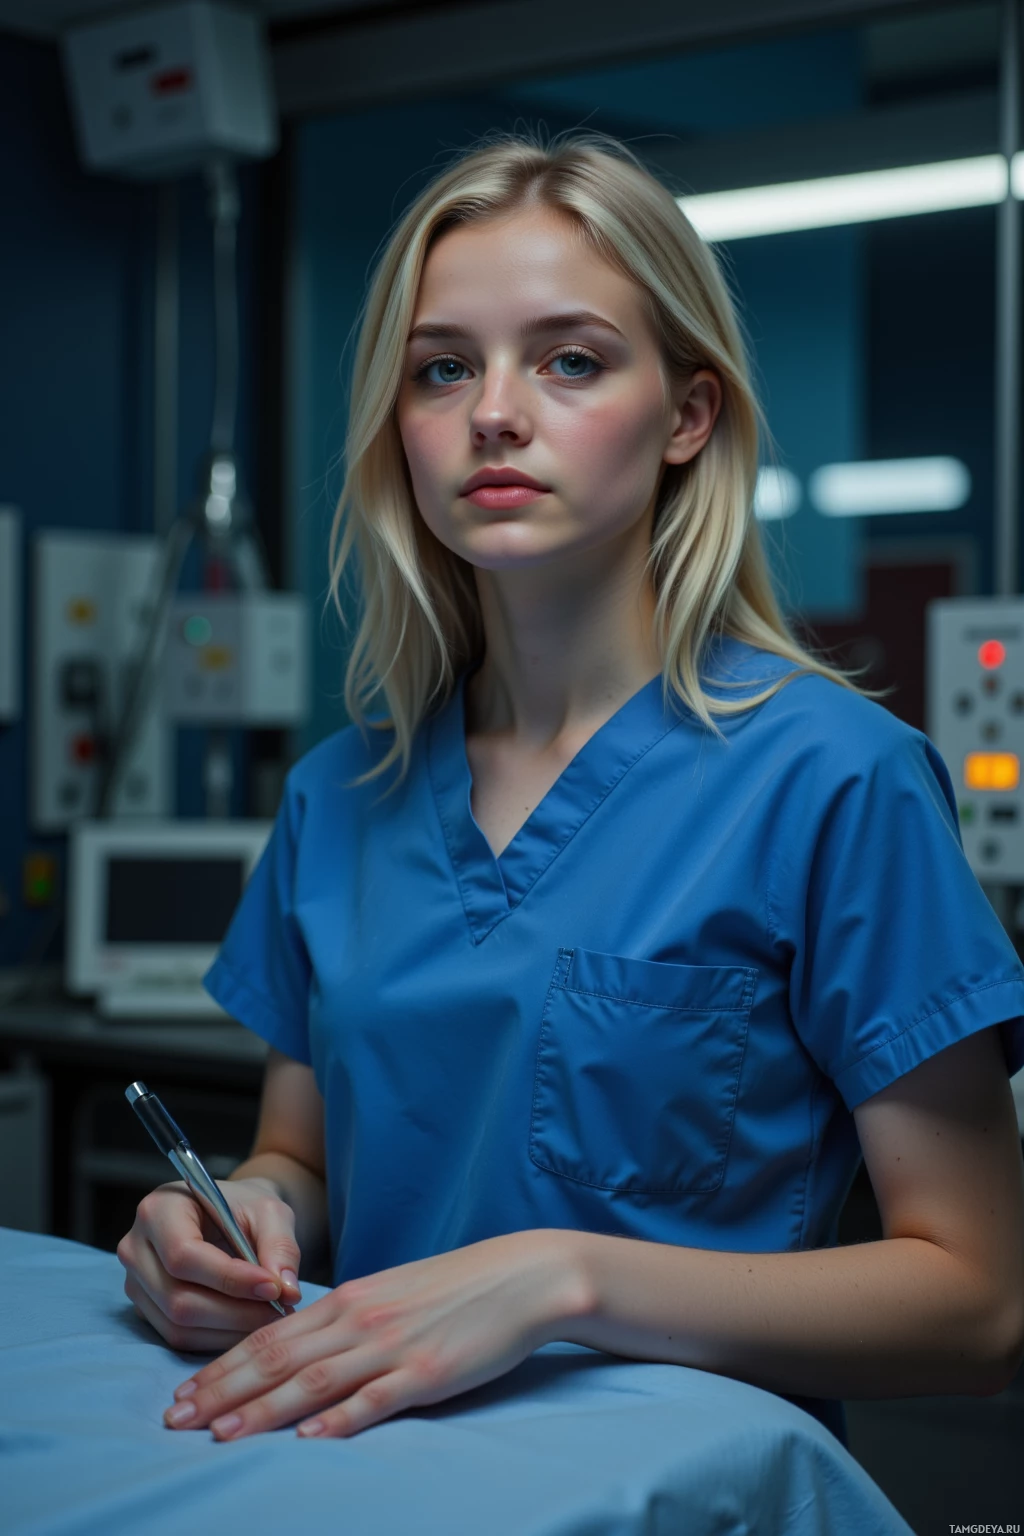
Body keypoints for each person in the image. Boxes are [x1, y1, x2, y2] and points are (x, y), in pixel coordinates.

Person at [117, 132, 1024, 1449]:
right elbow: (301, 1160)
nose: (493, 409)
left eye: (571, 359)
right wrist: (223, 1216)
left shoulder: (836, 782)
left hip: (670, 1493)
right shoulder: (340, 798)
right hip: (355, 1475)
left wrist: (563, 1280)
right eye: (443, 368)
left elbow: (979, 1304)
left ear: (689, 416)